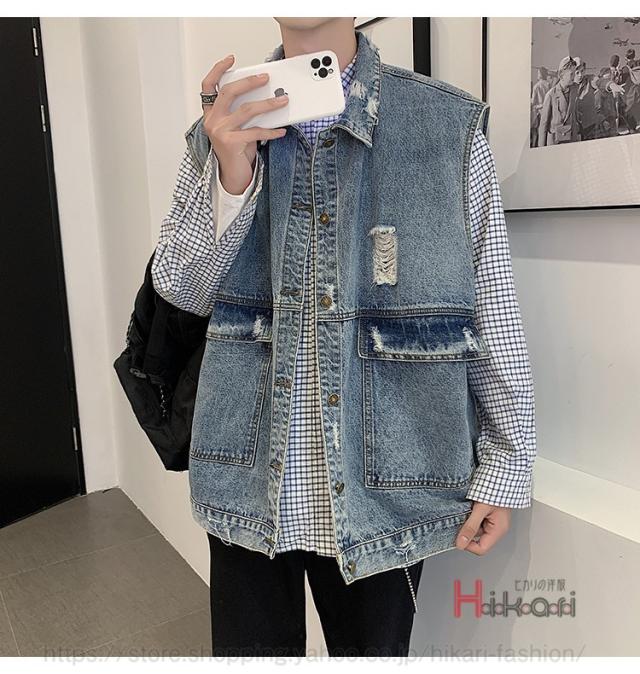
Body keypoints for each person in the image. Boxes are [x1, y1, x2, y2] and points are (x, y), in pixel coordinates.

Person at [151, 18, 536, 656]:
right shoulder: (222, 125)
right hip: (248, 475)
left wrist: (507, 460)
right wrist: (230, 178)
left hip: (388, 482)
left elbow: (492, 305)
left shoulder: (445, 127)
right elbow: (181, 290)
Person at [538, 55, 579, 146]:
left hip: (571, 140)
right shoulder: (551, 95)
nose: (574, 77)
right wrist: (541, 148)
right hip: (555, 142)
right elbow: (543, 125)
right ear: (561, 75)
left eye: (574, 73)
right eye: (571, 74)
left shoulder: (574, 89)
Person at [531, 66, 552, 147]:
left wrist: (537, 106)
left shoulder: (536, 86)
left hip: (540, 113)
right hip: (548, 110)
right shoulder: (549, 85)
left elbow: (533, 102)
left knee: (539, 133)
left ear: (540, 74)